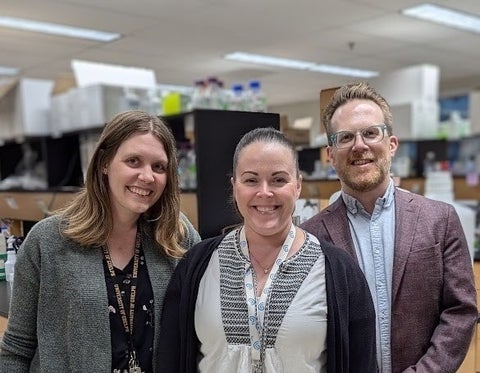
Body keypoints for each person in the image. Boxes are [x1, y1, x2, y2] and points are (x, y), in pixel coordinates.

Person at [157, 127, 377, 373]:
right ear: (234, 186)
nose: (264, 192)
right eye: (251, 180)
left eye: (279, 180)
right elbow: (170, 359)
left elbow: (363, 364)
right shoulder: (197, 266)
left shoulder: (339, 271)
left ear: (298, 186)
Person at [0, 110, 201, 372]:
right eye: (133, 161)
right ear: (104, 163)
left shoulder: (178, 237)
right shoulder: (48, 241)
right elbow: (16, 349)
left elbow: (201, 336)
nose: (147, 176)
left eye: (158, 166)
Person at [301, 82, 477, 373]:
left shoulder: (440, 220)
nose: (360, 145)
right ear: (330, 154)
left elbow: (460, 311)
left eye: (371, 133)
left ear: (392, 144)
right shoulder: (310, 237)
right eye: (345, 137)